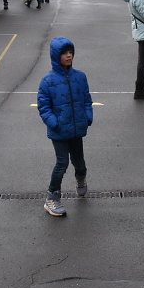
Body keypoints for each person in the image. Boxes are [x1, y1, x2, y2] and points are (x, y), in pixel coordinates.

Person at [37, 37, 93, 217]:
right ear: (56, 56)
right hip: (59, 132)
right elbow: (44, 107)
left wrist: (87, 116)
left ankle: (81, 177)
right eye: (65, 53)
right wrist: (55, 123)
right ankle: (52, 198)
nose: (69, 56)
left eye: (71, 53)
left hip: (77, 130)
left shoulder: (80, 77)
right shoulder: (48, 81)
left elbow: (86, 100)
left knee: (80, 162)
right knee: (62, 163)